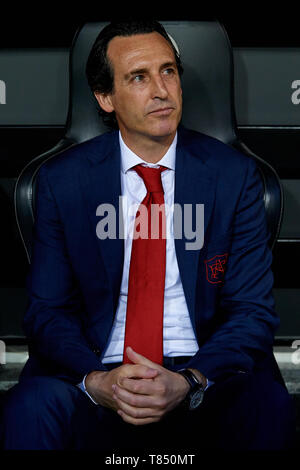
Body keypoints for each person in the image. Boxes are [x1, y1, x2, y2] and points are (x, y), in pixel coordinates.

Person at [1, 19, 296, 451]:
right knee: (32, 408)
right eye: (139, 77)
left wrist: (189, 380)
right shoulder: (62, 182)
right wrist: (99, 381)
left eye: (169, 71)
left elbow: (250, 312)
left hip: (201, 375)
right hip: (100, 370)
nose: (161, 90)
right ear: (105, 98)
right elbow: (48, 312)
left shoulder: (234, 176)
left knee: (266, 404)